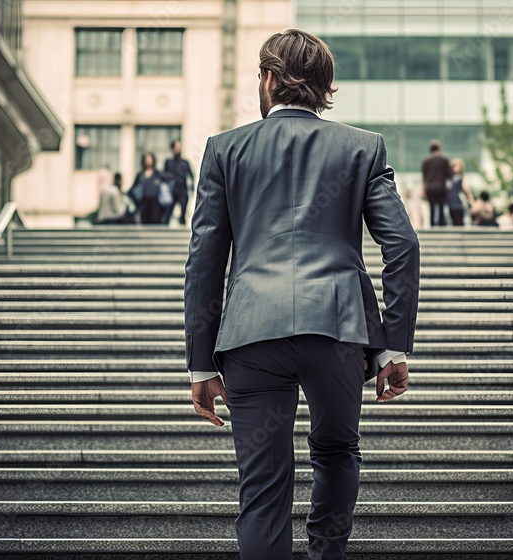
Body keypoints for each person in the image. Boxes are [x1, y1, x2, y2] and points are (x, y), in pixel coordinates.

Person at [184, 29, 419, 560]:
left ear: (267, 79)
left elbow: (203, 261)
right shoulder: (363, 147)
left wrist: (201, 363)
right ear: (325, 87)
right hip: (336, 331)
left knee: (263, 486)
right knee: (337, 451)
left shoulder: (224, 150)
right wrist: (393, 345)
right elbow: (402, 244)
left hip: (250, 335)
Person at [163, 139, 194, 225]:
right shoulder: (168, 162)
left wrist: (192, 188)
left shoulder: (185, 162)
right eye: (176, 147)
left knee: (183, 212)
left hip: (182, 189)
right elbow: (163, 175)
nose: (178, 149)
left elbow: (191, 175)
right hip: (171, 190)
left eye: (179, 147)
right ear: (173, 148)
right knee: (167, 213)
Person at [129, 152, 165, 224]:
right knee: (145, 222)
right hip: (144, 202)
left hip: (155, 203)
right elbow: (133, 189)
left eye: (149, 158)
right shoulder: (140, 174)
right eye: (146, 159)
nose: (148, 161)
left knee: (155, 221)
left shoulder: (157, 173)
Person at [421, 140, 451, 226]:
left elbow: (424, 177)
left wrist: (423, 190)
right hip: (441, 186)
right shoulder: (444, 160)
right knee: (441, 207)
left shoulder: (426, 162)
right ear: (439, 149)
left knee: (432, 207)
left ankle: (432, 225)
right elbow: (448, 174)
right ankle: (441, 225)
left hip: (430, 188)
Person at [445, 158, 475, 226]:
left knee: (458, 221)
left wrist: (472, 202)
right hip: (450, 203)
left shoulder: (463, 177)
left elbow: (467, 190)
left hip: (458, 203)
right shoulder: (449, 178)